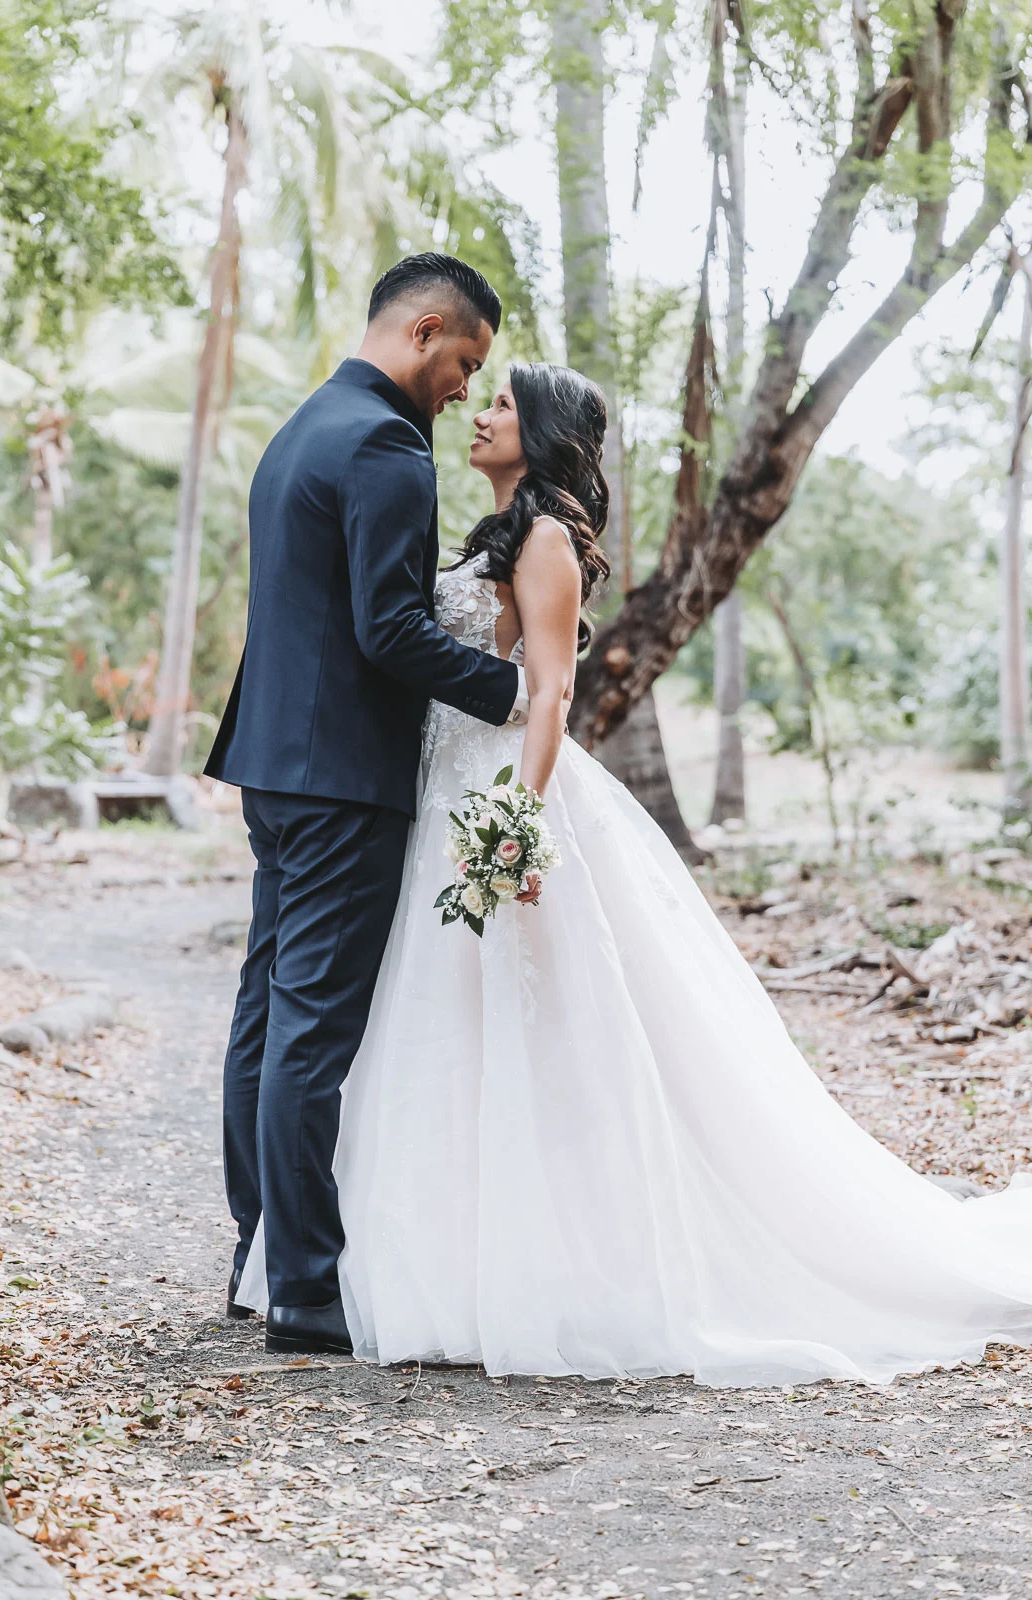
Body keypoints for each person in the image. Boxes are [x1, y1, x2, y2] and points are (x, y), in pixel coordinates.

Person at [237, 358, 1032, 1387]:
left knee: (536, 1033)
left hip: (500, 794)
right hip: (438, 790)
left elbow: (552, 694)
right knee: (439, 1027)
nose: (479, 415)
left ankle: (548, 1266)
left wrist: (514, 824)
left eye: (502, 405)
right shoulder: (488, 534)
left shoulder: (545, 538)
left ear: (544, 433)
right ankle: (429, 1257)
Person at [205, 254, 528, 1356]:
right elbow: (386, 629)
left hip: (274, 767)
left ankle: (261, 1251)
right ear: (425, 327)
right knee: (310, 1029)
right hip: (344, 775)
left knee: (265, 1014)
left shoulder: (302, 426)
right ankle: (302, 1287)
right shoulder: (386, 447)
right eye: (464, 361)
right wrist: (512, 693)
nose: (460, 387)